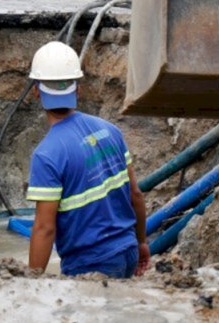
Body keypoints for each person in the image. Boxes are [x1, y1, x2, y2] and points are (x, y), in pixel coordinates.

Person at [26, 41, 149, 278]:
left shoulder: (46, 155)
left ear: (36, 92)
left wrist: (31, 285)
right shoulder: (110, 130)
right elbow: (136, 194)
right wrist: (142, 242)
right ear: (78, 90)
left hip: (91, 264)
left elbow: (44, 228)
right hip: (128, 251)